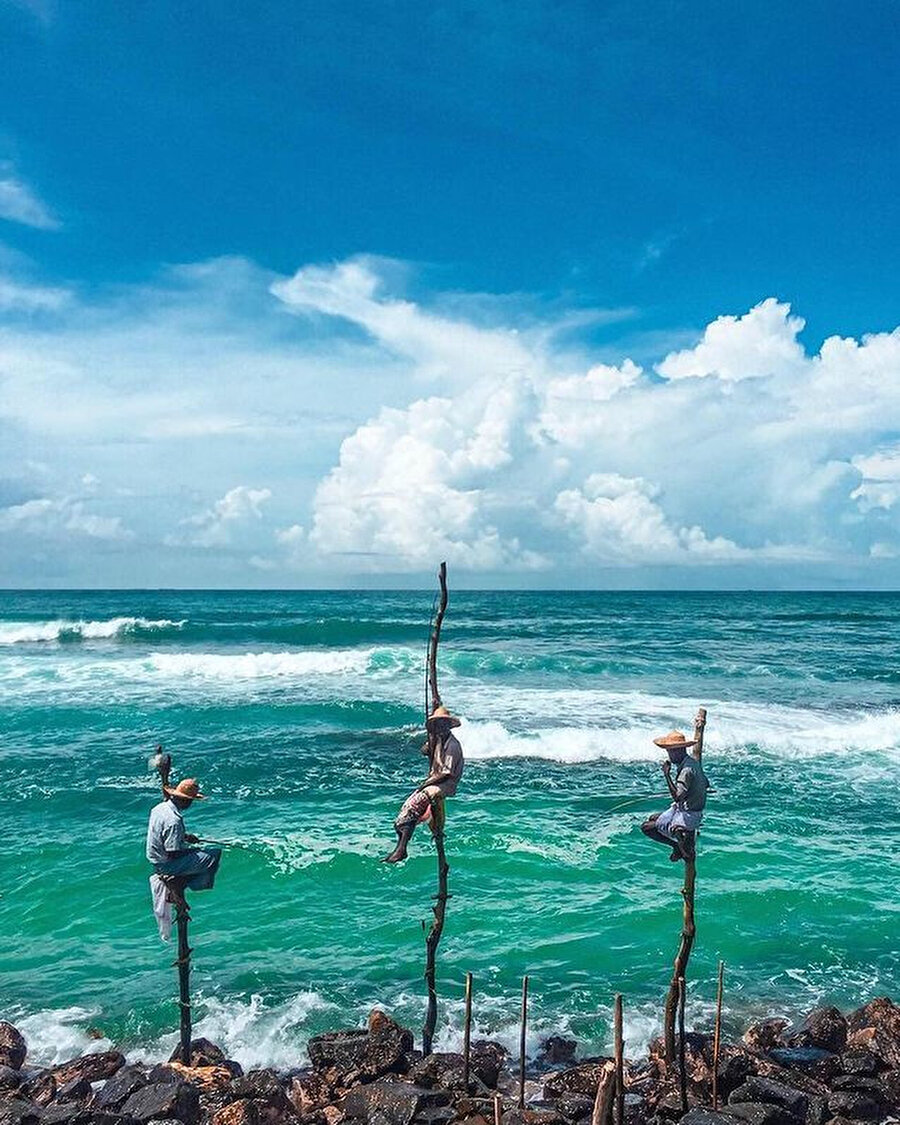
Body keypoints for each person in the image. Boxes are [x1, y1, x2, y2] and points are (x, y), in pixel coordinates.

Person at [382, 705, 464, 864]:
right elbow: (424, 750)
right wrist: (431, 740)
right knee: (406, 810)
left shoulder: (452, 745)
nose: (440, 727)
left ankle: (401, 850)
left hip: (445, 783)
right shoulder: (439, 739)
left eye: (443, 724)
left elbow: (446, 773)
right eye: (437, 724)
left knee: (417, 802)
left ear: (448, 726)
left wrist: (425, 784)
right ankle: (400, 848)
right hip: (435, 781)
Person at [146, 778, 221, 911]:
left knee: (198, 853)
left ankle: (178, 881)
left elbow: (164, 833)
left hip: (155, 858)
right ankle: (179, 883)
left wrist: (185, 837)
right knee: (213, 855)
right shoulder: (174, 820)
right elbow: (173, 853)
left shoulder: (159, 808)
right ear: (185, 800)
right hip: (165, 864)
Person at [641, 729, 709, 861]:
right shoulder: (693, 763)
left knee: (646, 827)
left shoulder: (686, 770)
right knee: (653, 817)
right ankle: (678, 843)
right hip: (689, 808)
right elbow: (706, 783)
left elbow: (678, 797)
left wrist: (667, 775)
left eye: (670, 751)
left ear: (678, 751)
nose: (669, 755)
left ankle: (677, 846)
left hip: (689, 813)